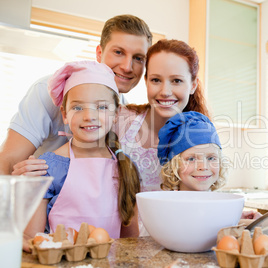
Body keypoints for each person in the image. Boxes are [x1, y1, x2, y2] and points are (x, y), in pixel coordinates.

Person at [0, 14, 152, 175]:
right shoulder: (46, 91)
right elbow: (9, 161)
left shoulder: (125, 112)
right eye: (119, 52)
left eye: (138, 58)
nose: (128, 67)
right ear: (99, 53)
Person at [24, 61, 140, 252]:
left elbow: (132, 243)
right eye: (78, 108)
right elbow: (33, 240)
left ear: (117, 114)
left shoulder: (125, 167)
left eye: (102, 107)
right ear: (64, 114)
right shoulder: (48, 166)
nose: (89, 116)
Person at [117, 39, 210, 192]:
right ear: (146, 81)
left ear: (193, 85)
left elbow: (202, 197)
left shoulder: (201, 136)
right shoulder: (120, 119)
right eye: (156, 80)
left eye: (176, 81)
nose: (165, 91)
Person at [157, 111, 262, 220]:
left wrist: (238, 218)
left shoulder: (222, 205)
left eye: (211, 158)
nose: (203, 166)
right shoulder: (169, 207)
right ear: (174, 167)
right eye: (191, 159)